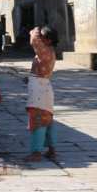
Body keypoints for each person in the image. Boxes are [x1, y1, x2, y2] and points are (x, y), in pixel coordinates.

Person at [26, 25, 58, 162]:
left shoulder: (45, 51)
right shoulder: (49, 51)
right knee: (47, 120)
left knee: (37, 121)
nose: (40, 38)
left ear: (49, 40)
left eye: (42, 37)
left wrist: (36, 29)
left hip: (39, 91)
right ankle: (51, 149)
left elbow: (33, 39)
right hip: (43, 88)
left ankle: (36, 152)